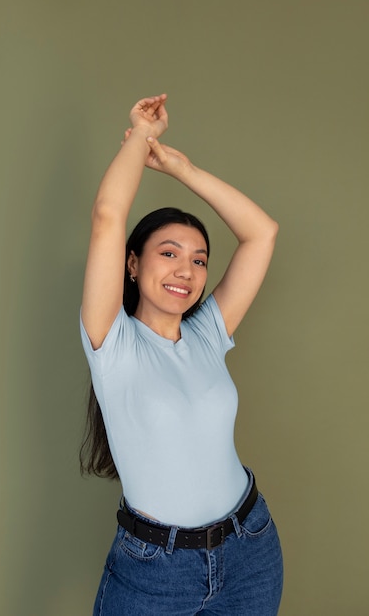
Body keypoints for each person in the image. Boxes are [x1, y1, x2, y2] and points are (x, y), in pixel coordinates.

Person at [79, 94, 283, 615]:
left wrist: (181, 167)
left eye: (198, 260)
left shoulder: (208, 333)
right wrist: (142, 136)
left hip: (249, 547)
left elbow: (262, 233)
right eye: (168, 253)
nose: (185, 271)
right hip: (155, 570)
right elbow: (108, 215)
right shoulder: (113, 342)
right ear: (132, 263)